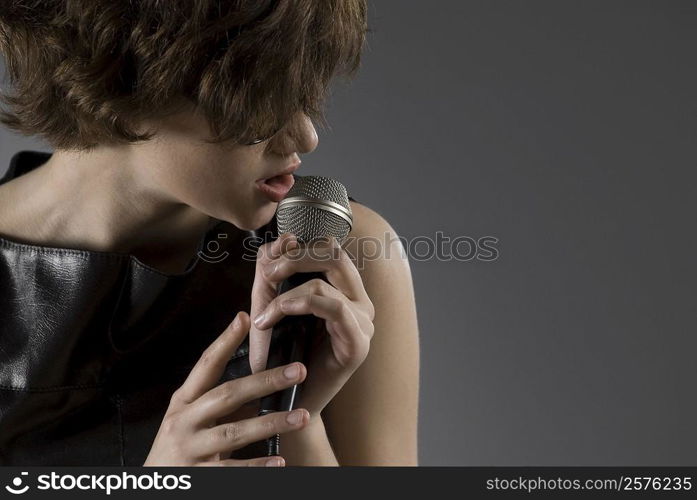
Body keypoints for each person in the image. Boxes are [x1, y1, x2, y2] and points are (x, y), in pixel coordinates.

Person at [0, 0, 419, 466]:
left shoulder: (339, 249)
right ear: (119, 83)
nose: (304, 136)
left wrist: (295, 414)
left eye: (302, 93)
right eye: (260, 100)